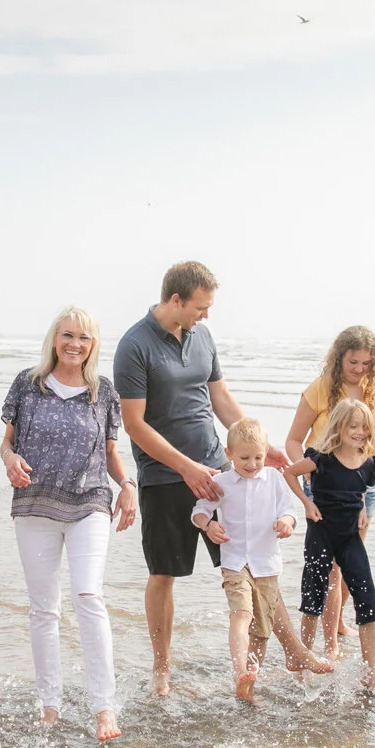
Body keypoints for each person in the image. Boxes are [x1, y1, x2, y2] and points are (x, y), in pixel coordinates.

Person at [115, 261, 287, 697]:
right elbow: (134, 424)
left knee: (254, 560)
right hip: (163, 478)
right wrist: (185, 467)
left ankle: (286, 654)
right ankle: (161, 667)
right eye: (200, 306)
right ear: (175, 300)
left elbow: (220, 397)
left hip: (217, 470)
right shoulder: (134, 345)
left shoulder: (202, 336)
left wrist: (258, 445)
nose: (206, 315)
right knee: (163, 573)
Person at [0, 307, 135, 740]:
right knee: (44, 608)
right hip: (34, 503)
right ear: (54, 339)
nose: (75, 344)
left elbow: (111, 453)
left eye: (84, 338)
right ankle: (50, 705)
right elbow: (7, 443)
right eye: (68, 335)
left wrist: (127, 484)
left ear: (93, 345)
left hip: (89, 502)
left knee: (88, 595)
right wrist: (10, 460)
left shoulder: (103, 392)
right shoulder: (28, 383)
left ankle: (104, 708)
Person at [190, 419, 334, 702]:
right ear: (229, 454)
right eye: (244, 458)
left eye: (258, 457)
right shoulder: (221, 482)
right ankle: (239, 670)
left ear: (265, 453)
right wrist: (208, 525)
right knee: (242, 614)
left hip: (266, 564)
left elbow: (288, 510)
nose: (252, 464)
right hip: (235, 562)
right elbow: (199, 510)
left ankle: (249, 687)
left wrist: (286, 523)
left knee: (262, 632)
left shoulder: (274, 479)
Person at [284, 325, 375, 658]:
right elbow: (294, 440)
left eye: (366, 363)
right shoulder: (322, 388)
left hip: (362, 485)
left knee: (349, 564)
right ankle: (330, 643)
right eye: (353, 362)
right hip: (323, 482)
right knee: (331, 567)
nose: (360, 369)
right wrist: (310, 476)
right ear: (339, 358)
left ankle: (334, 625)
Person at [285, 400, 375, 693]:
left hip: (349, 538)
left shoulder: (368, 462)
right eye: (352, 426)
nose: (359, 432)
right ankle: (303, 664)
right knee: (313, 599)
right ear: (339, 427)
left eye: (364, 427)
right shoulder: (321, 459)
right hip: (321, 534)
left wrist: (363, 509)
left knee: (367, 601)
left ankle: (370, 673)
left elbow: (362, 490)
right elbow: (289, 473)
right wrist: (307, 504)